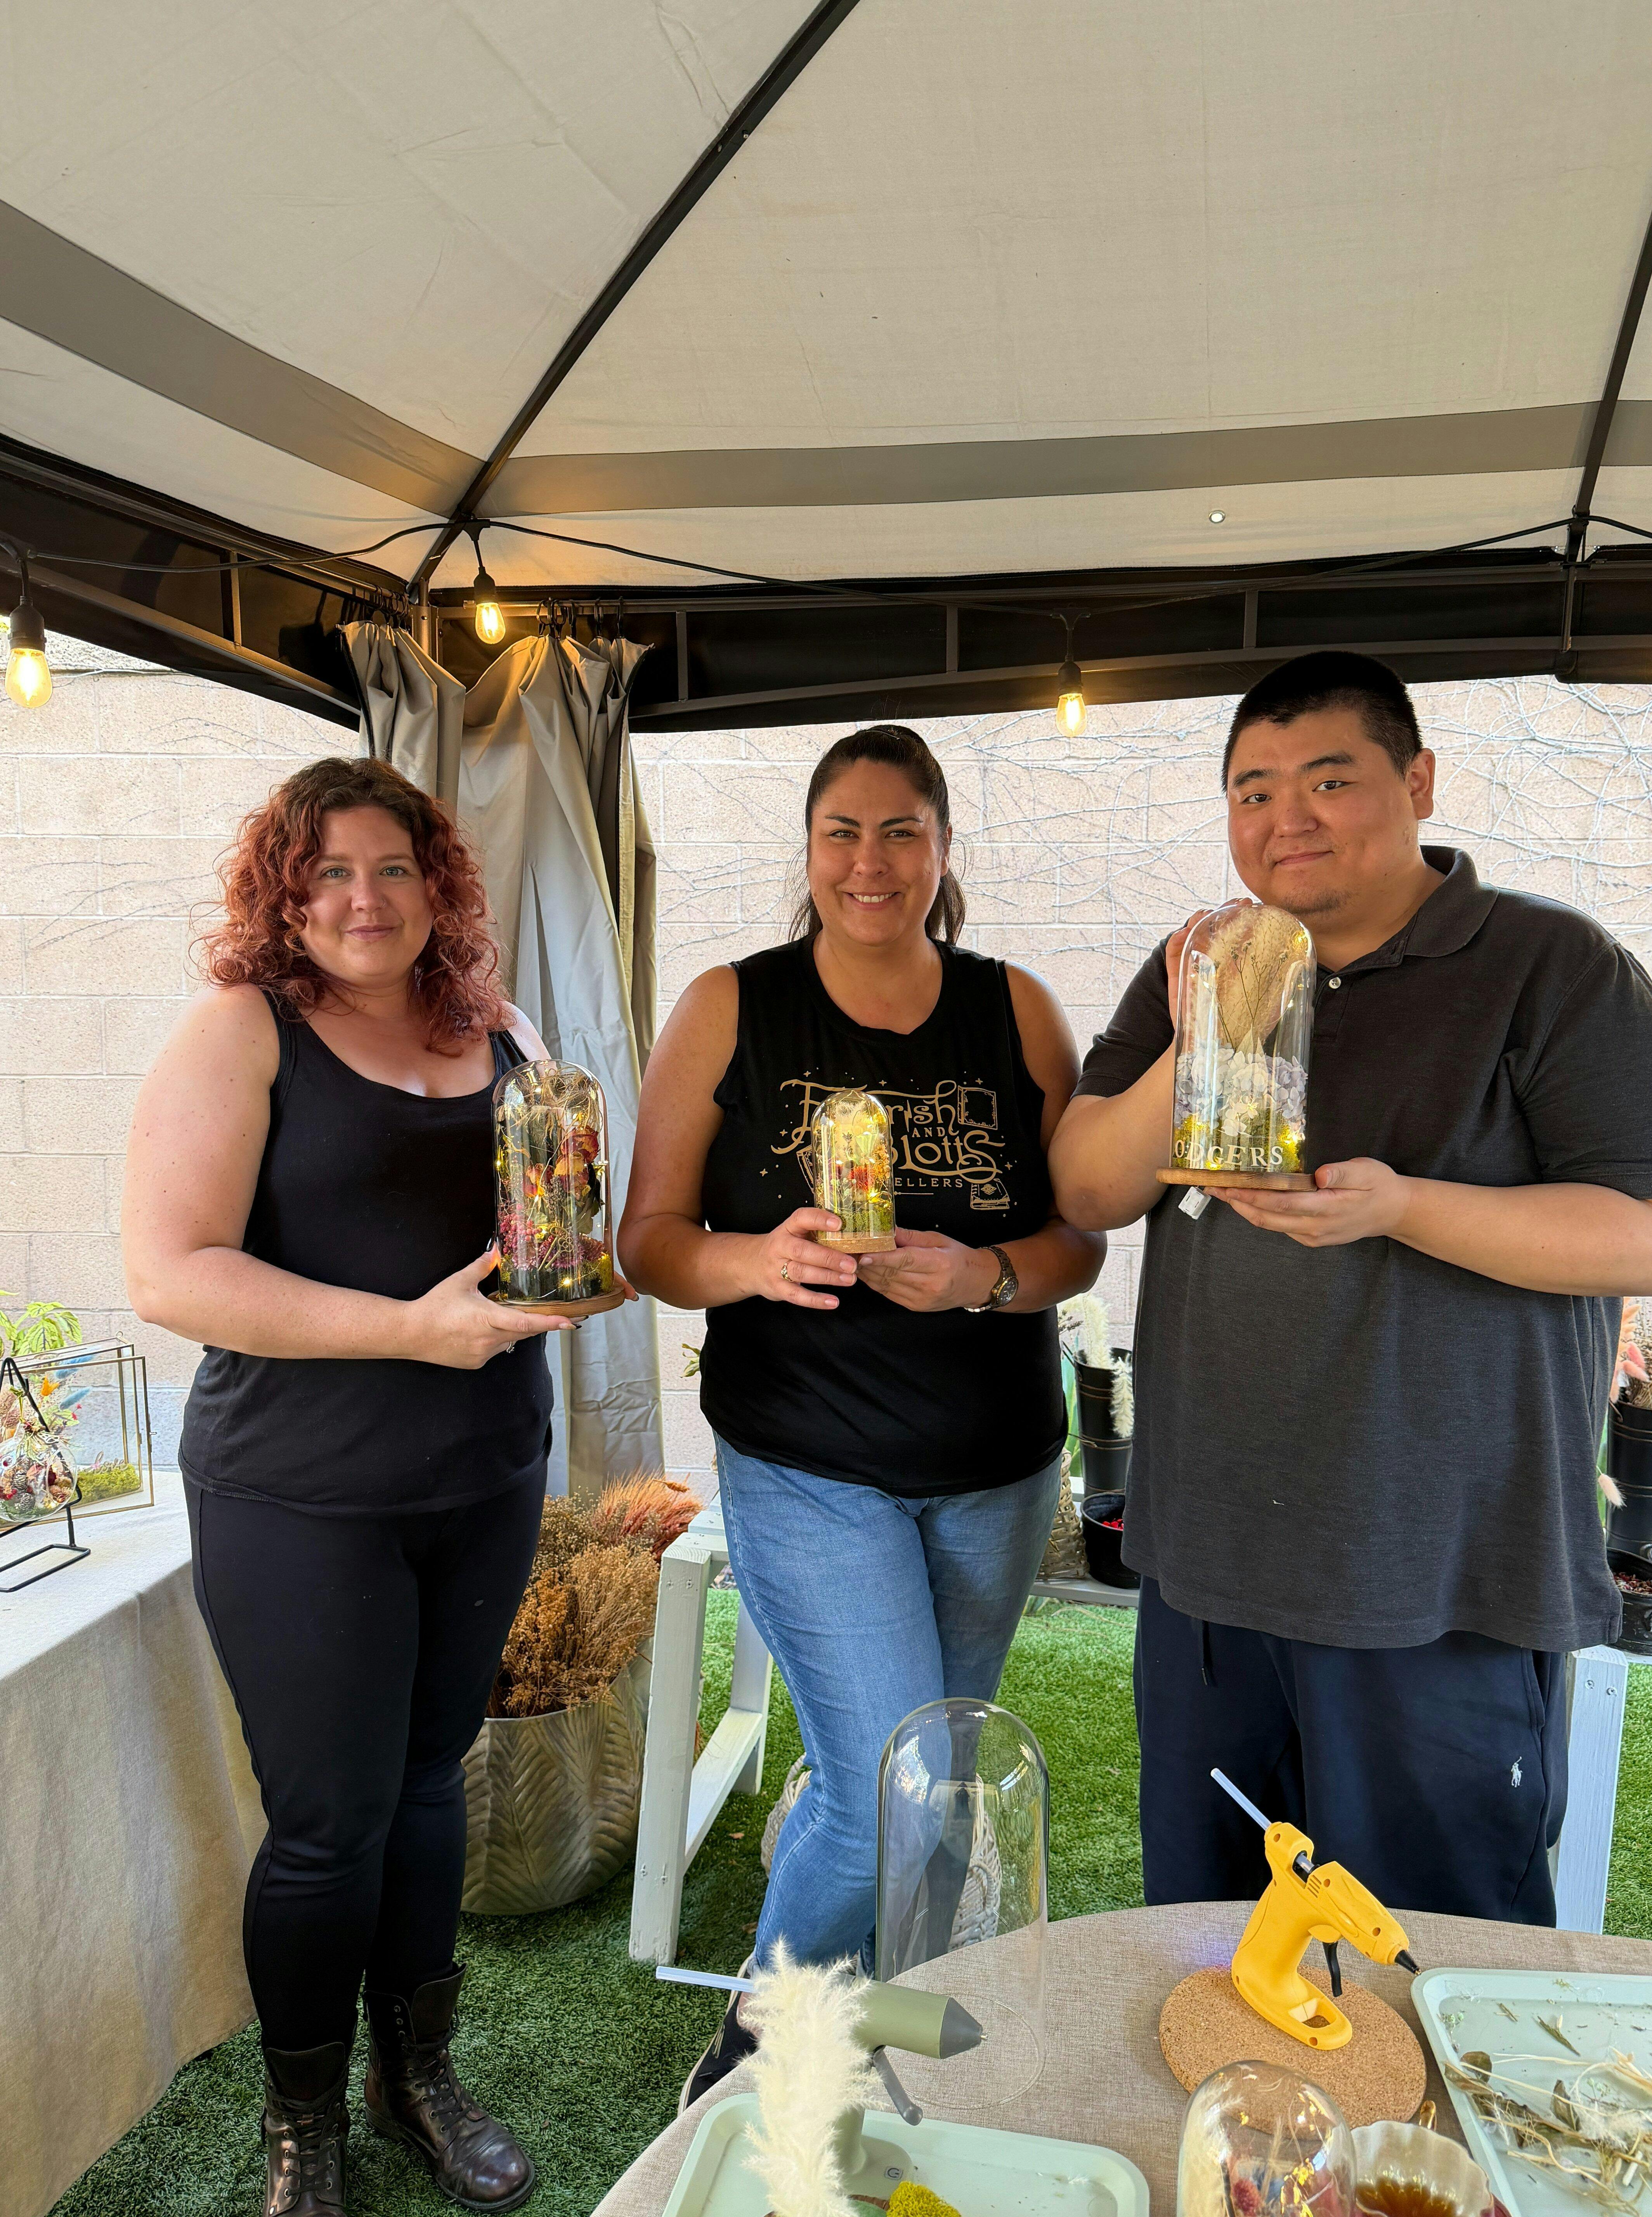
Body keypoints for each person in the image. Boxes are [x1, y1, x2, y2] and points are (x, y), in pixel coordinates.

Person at [1049, 650, 1652, 1926]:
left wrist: (1401, 1208)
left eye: (1328, 782)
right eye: (1253, 792)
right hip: (1211, 1561)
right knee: (1211, 1943)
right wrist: (1200, 1027)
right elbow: (1089, 1186)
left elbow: (1646, 1235)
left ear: (1417, 782)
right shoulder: (1199, 963)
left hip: (1437, 1576)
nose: (1287, 819)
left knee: (1423, 1955)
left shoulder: (1548, 965)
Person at [123, 757, 598, 2217]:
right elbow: (172, 1272)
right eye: (327, 870)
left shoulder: (498, 1029)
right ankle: (303, 2123)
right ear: (283, 892)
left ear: (437, 884)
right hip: (301, 1494)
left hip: (482, 1473)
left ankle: (417, 2078)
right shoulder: (242, 1031)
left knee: (428, 1779)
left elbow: (545, 1223)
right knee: (330, 1823)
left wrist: (574, 1271)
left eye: (393, 867)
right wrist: (407, 1329)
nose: (363, 898)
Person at [619, 723, 1103, 2097]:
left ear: (943, 850)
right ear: (809, 848)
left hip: (994, 1465)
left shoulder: (1016, 1011)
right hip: (809, 1461)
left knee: (941, 1782)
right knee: (880, 1779)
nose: (870, 861)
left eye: (901, 831)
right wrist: (753, 1262)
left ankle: (893, 2027)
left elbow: (1079, 1243)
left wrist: (982, 1276)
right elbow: (648, 1240)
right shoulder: (732, 1006)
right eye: (843, 831)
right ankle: (757, 2053)